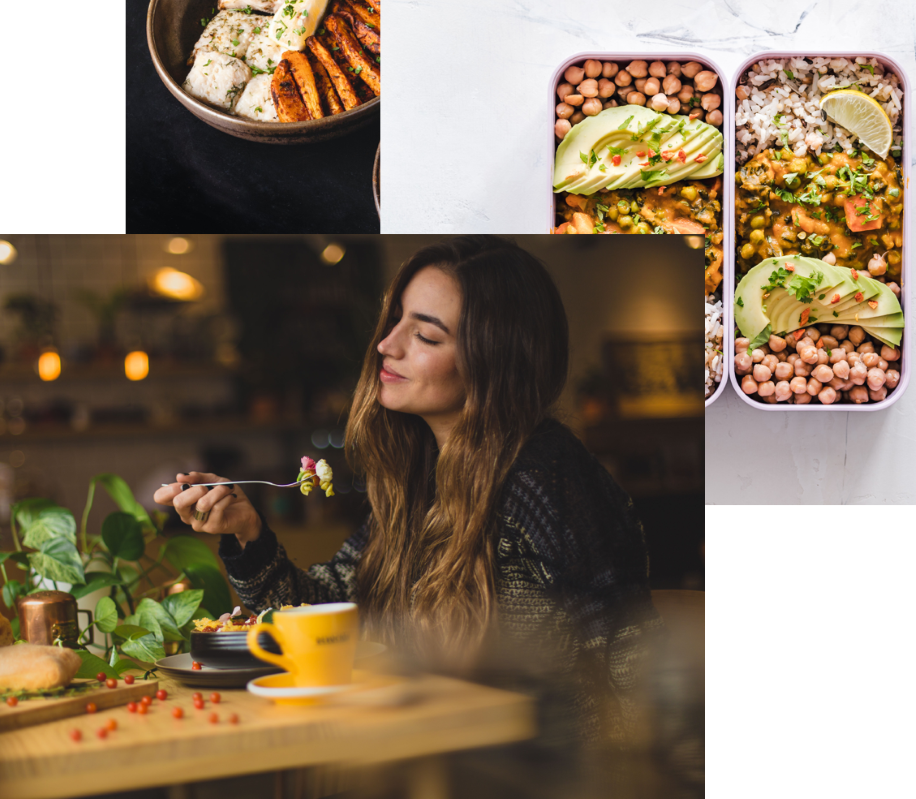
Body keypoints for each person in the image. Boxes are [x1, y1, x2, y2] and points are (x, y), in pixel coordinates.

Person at [153, 236, 658, 742]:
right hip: (437, 755)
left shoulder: (545, 478)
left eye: (427, 337)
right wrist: (247, 532)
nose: (386, 345)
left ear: (495, 361)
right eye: (396, 320)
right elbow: (332, 611)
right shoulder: (422, 477)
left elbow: (632, 662)